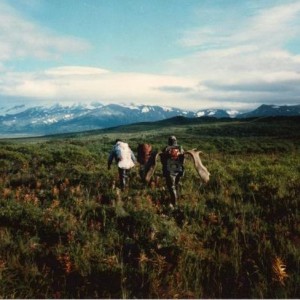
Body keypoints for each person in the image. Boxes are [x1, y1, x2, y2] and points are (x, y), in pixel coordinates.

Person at [160, 136, 184, 208]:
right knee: (176, 185)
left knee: (171, 187)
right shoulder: (180, 148)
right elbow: (183, 159)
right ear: (175, 141)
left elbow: (163, 161)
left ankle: (174, 204)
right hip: (179, 170)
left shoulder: (166, 148)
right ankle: (177, 199)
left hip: (170, 170)